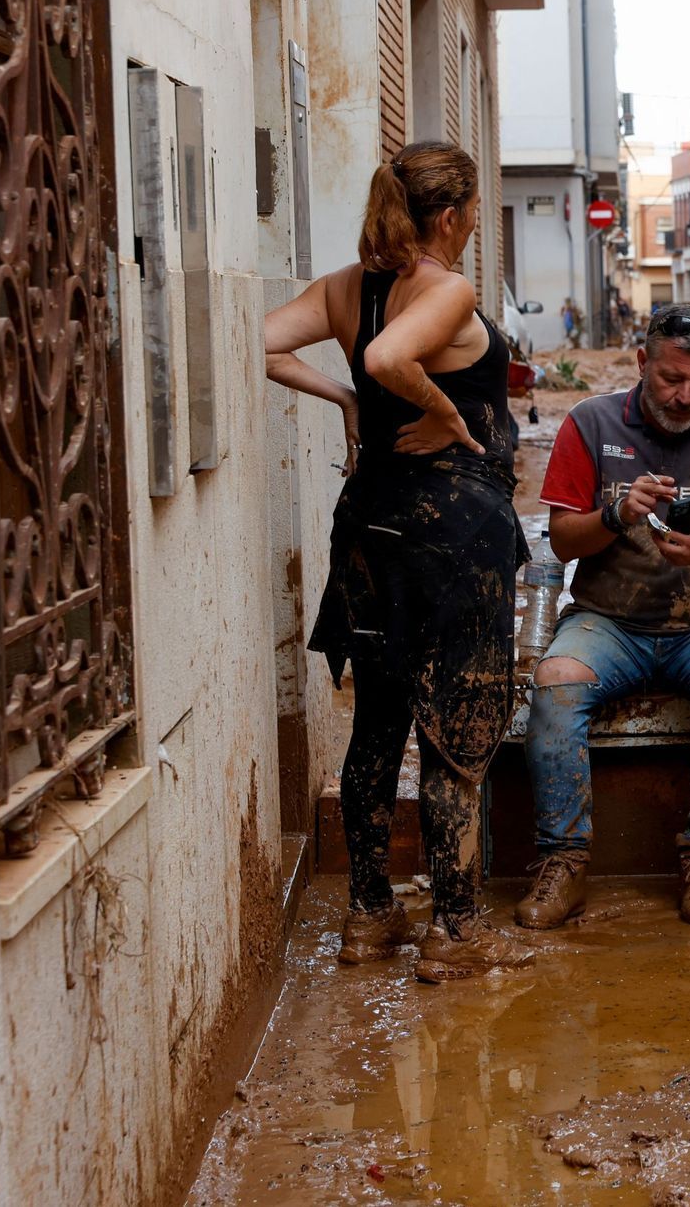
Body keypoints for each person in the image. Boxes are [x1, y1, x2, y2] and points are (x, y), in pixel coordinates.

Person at [262, 140, 533, 984]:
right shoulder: (445, 288)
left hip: (371, 528)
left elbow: (259, 341)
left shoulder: (348, 287)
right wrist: (449, 414)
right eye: (473, 213)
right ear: (450, 218)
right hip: (448, 539)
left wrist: (343, 398)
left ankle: (370, 917)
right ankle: (454, 931)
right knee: (456, 728)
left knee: (379, 722)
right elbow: (388, 359)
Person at [518, 304, 690, 930]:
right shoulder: (590, 423)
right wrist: (616, 513)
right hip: (608, 619)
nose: (686, 395)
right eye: (671, 379)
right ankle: (563, 859)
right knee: (555, 687)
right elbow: (562, 540)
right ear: (642, 362)